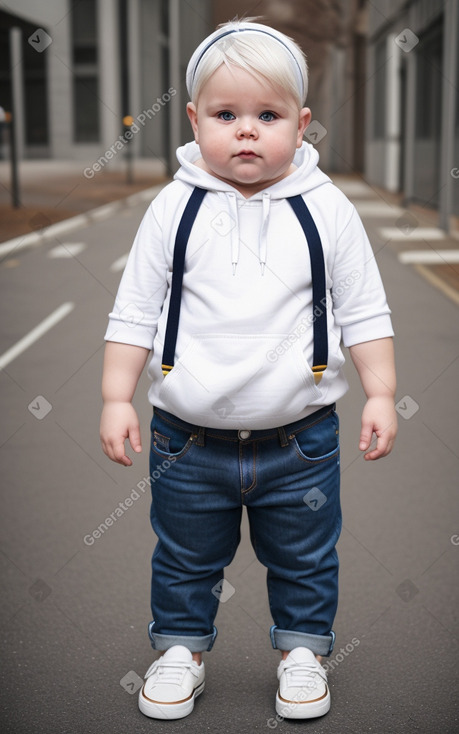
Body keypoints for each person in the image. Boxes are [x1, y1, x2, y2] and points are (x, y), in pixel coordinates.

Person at [100, 19, 397, 722]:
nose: (245, 132)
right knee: (183, 557)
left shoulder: (326, 209)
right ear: (195, 120)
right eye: (226, 116)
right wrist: (116, 397)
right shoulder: (173, 208)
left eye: (267, 116)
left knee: (304, 558)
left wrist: (381, 391)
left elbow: (364, 309)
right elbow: (134, 310)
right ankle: (181, 651)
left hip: (300, 441)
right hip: (185, 441)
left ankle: (301, 652)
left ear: (302, 125)